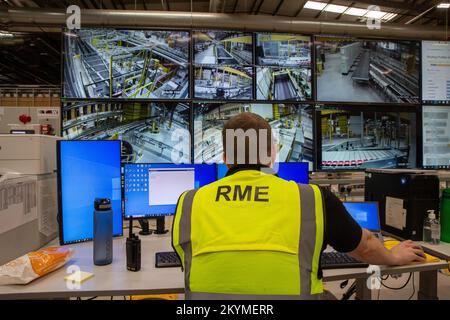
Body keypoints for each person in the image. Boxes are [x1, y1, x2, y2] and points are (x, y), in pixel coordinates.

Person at [172, 112, 425, 300]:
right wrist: (394, 255)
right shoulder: (313, 198)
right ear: (271, 155)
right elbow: (367, 248)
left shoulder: (189, 203)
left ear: (225, 159)